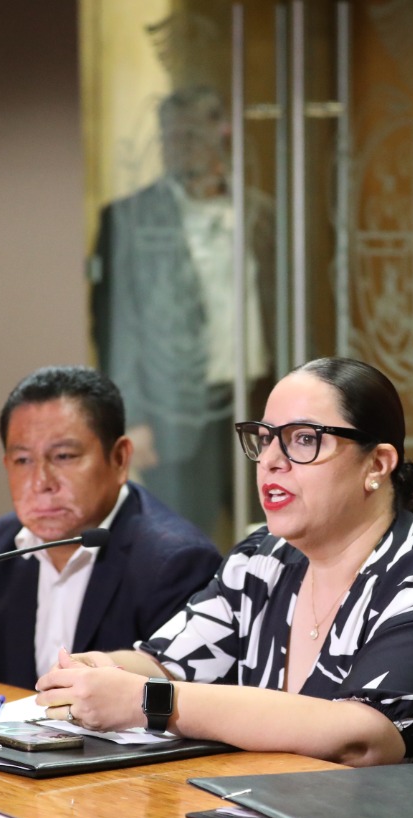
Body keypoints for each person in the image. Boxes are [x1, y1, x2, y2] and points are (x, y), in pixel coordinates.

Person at [33, 358, 413, 800]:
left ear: (377, 464)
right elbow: (166, 662)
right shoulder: (263, 558)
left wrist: (148, 701)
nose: (271, 462)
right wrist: (97, 671)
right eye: (264, 440)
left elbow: (361, 739)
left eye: (304, 440)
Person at [0, 366, 221, 689]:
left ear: (120, 459)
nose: (41, 482)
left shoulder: (174, 561)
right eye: (23, 461)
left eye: (64, 456)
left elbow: (177, 705)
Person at [90, 85, 276, 537]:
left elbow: (285, 305)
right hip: (173, 409)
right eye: (171, 136)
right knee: (188, 540)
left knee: (277, 534)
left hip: (260, 400)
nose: (181, 146)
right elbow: (116, 328)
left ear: (223, 134)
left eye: (193, 134)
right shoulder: (130, 218)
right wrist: (132, 418)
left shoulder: (260, 212)